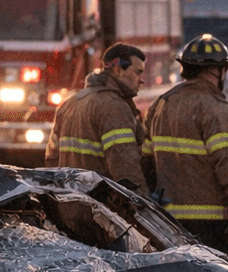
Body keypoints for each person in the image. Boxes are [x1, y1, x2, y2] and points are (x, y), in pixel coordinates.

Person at [143, 34, 228, 252]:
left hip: (167, 219)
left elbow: (146, 161)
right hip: (212, 221)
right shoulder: (215, 107)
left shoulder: (161, 104)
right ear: (215, 71)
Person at [46, 42, 155, 193]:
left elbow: (52, 159)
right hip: (100, 209)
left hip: (69, 205)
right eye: (137, 72)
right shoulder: (114, 107)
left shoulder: (69, 104)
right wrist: (145, 205)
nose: (141, 80)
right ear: (118, 71)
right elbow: (125, 168)